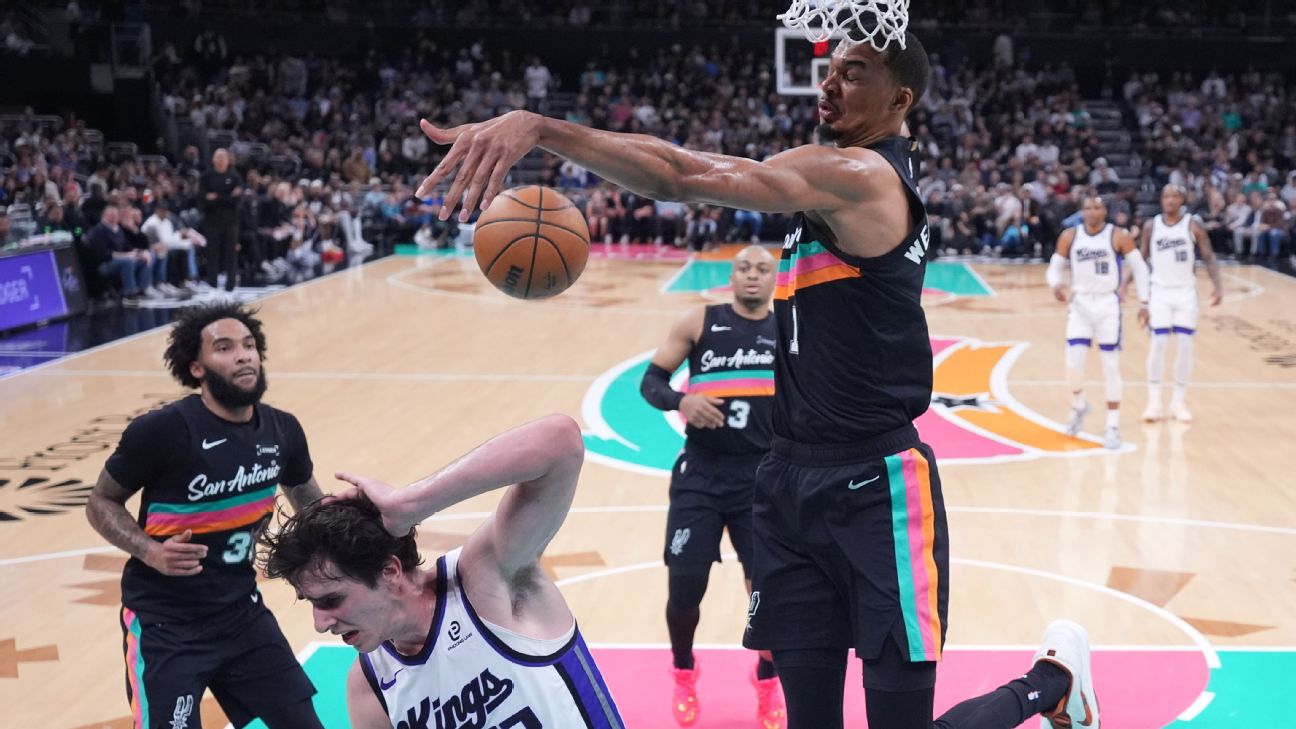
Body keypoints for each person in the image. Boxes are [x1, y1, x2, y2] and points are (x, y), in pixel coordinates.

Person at [413, 28, 1099, 729]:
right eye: (830, 68)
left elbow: (683, 175)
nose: (829, 83)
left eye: (853, 73)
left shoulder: (861, 177)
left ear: (900, 100)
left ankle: (1048, 684)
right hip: (785, 483)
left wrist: (541, 128)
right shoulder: (835, 184)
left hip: (875, 487)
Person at [256, 415, 626, 729]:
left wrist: (412, 503)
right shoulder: (369, 685)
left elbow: (560, 441)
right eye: (311, 603)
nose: (320, 623)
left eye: (332, 600)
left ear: (390, 572)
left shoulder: (486, 581)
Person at [85, 303, 326, 729]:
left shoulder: (283, 430)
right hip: (165, 625)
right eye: (225, 348)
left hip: (242, 614)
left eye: (249, 345)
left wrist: (357, 536)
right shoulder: (162, 431)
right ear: (196, 368)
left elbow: (312, 506)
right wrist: (150, 551)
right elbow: (100, 502)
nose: (243, 356)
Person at [638, 245, 784, 726]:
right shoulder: (699, 321)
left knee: (768, 594)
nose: (752, 275)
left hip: (762, 481)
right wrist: (681, 401)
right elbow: (651, 381)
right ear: (732, 275)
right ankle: (684, 670)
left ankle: (767, 678)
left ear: (774, 278)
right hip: (701, 475)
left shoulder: (788, 328)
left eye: (762, 269)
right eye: (743, 268)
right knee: (684, 590)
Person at [1047, 193, 1150, 449]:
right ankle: (1079, 405)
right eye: (1087, 208)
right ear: (1082, 211)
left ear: (1105, 211)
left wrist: (1145, 302)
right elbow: (1053, 268)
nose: (1092, 212)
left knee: (1110, 366)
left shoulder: (1118, 235)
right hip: (1080, 304)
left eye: (1097, 207)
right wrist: (1056, 284)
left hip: (1107, 305)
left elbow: (1140, 268)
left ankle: (1112, 425)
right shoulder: (1070, 236)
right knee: (1072, 365)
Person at [1140, 184, 1223, 423]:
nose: (1169, 200)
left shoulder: (1192, 225)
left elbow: (1208, 256)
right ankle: (1154, 401)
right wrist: (1127, 285)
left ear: (1182, 200)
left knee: (1185, 345)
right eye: (1166, 196)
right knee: (1158, 344)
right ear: (1161, 200)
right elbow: (1140, 259)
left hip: (1186, 293)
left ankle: (1178, 402)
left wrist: (1218, 286)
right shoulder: (1151, 226)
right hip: (1159, 292)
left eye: (1174, 196)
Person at [200, 148, 244, 293]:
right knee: (212, 253)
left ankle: (230, 285)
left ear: (228, 160)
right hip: (212, 221)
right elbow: (203, 198)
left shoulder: (235, 176)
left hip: (231, 221)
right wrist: (227, 196)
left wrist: (217, 197)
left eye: (223, 157)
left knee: (231, 253)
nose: (220, 160)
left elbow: (237, 199)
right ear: (213, 159)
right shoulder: (206, 176)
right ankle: (212, 284)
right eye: (218, 157)